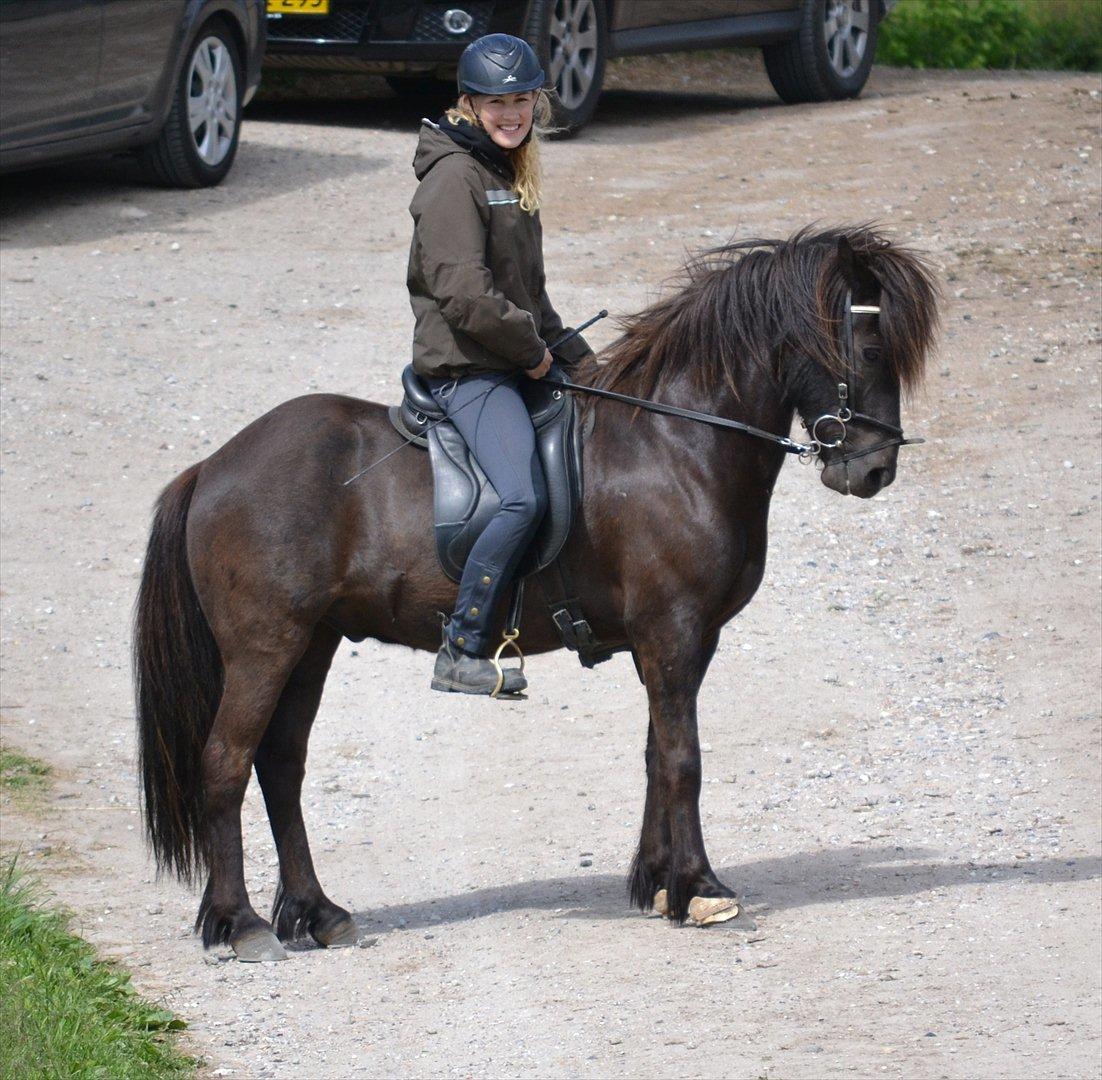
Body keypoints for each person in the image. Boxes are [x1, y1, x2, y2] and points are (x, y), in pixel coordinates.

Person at [406, 33, 594, 696]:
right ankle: (461, 648)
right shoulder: (456, 178)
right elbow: (464, 294)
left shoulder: (504, 171)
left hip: (506, 357)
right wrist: (533, 354)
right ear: (470, 102)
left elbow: (527, 295)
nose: (512, 112)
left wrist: (579, 356)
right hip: (468, 370)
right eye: (497, 102)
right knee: (520, 497)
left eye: (521, 99)